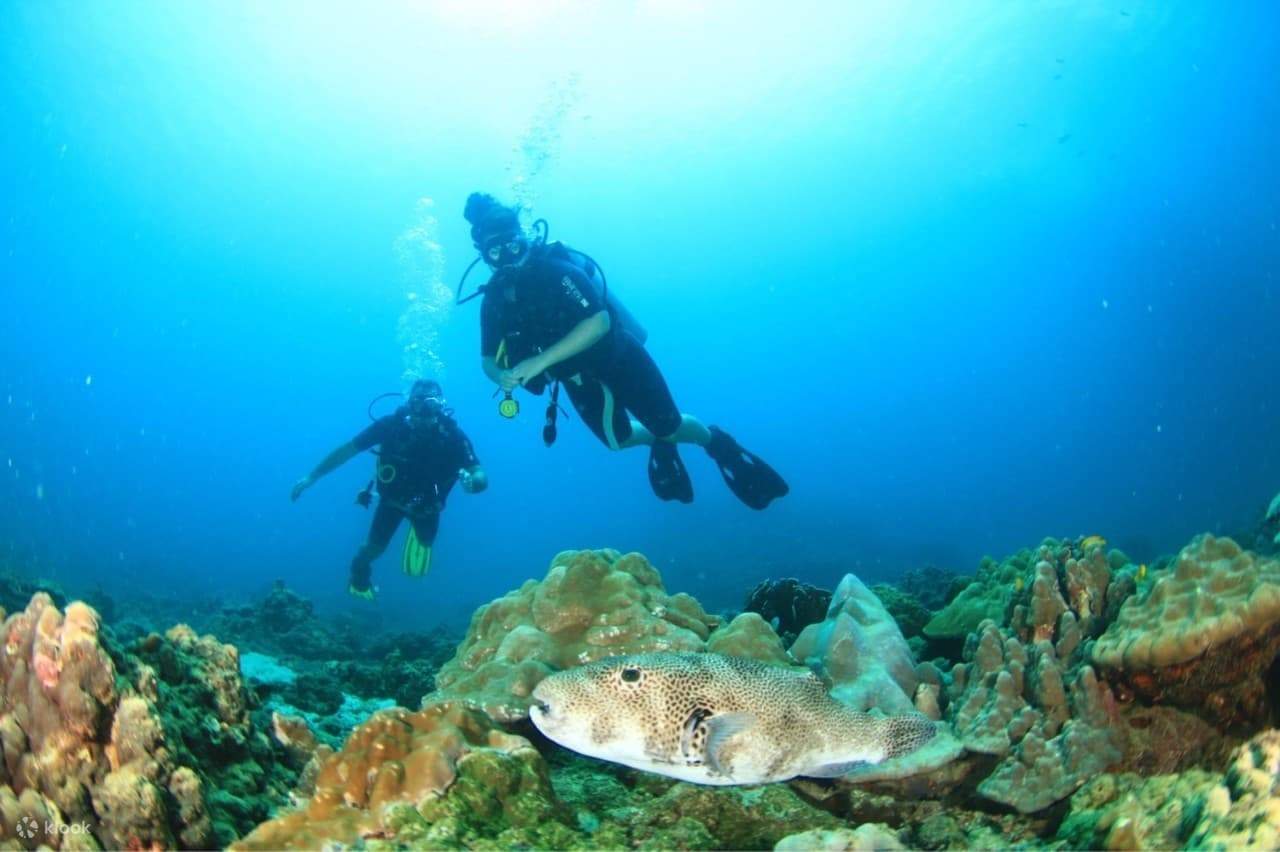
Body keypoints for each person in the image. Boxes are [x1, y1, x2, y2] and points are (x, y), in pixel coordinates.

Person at [461, 192, 787, 509]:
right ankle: (659, 441)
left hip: (618, 357)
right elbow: (487, 359)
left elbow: (599, 321)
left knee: (670, 426)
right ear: (484, 255)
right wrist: (500, 376)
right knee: (618, 441)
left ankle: (716, 443)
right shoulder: (493, 301)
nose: (507, 257)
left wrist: (539, 361)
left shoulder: (556, 270)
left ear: (524, 239)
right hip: (575, 379)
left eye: (513, 245)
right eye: (495, 252)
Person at [291, 379, 487, 599]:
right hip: (392, 503)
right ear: (409, 403)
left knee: (426, 541)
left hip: (428, 508)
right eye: (418, 402)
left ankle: (417, 535)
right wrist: (312, 476)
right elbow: (348, 450)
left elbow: (479, 473)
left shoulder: (453, 436)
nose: (423, 410)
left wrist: (474, 484)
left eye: (430, 403)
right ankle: (359, 571)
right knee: (372, 549)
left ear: (441, 405)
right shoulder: (390, 426)